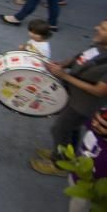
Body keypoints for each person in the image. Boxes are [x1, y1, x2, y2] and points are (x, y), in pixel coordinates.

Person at [28, 20, 107, 176]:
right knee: (71, 129)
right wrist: (63, 64)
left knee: (60, 129)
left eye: (103, 29)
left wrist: (64, 76)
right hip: (73, 96)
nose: (96, 28)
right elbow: (80, 58)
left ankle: (60, 165)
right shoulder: (100, 46)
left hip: (84, 105)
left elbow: (99, 91)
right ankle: (67, 155)